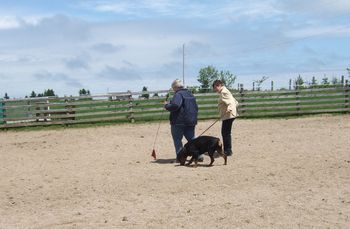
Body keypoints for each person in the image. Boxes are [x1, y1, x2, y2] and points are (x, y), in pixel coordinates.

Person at [164, 79, 203, 162]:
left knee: (177, 140)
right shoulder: (190, 94)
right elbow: (196, 107)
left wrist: (167, 105)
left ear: (175, 87)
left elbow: (175, 106)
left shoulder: (178, 94)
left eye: (173, 88)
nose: (173, 90)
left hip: (179, 121)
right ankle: (199, 155)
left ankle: (180, 157)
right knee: (192, 139)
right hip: (191, 121)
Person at [212, 80, 239, 156]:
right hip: (228, 115)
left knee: (225, 133)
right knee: (226, 133)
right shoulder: (225, 91)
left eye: (215, 87)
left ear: (219, 85)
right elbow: (235, 101)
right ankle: (227, 150)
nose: (215, 89)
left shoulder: (224, 92)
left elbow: (231, 102)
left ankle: (228, 151)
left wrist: (230, 108)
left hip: (228, 115)